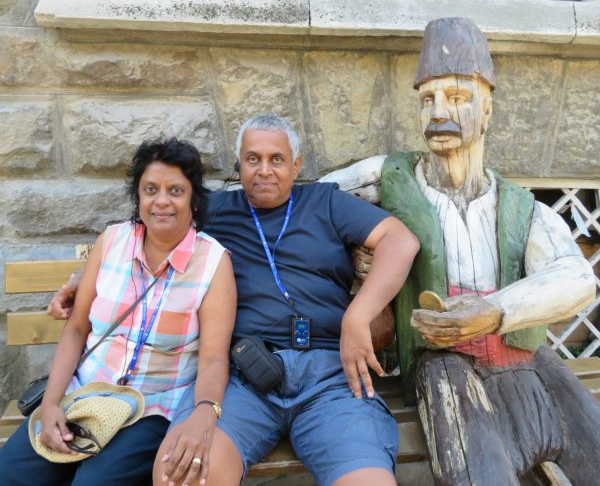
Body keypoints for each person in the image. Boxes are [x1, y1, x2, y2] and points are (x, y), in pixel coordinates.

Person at [48, 114, 420, 486]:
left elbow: (400, 241)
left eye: (276, 159)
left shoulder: (325, 202)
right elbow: (148, 235)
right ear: (238, 164)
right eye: (252, 159)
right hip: (241, 378)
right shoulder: (212, 212)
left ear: (296, 164)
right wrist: (81, 280)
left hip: (331, 377)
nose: (264, 170)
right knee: (181, 475)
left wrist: (358, 316)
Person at [322, 17, 599, 485]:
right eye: (427, 99)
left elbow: (576, 278)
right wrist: (353, 248)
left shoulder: (518, 205)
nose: (438, 113)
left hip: (524, 354)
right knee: (477, 468)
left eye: (457, 98)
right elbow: (315, 207)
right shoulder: (389, 177)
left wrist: (494, 311)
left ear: (487, 111)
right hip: (440, 360)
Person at [1, 137, 236, 486]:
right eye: (150, 188)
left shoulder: (212, 263)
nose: (161, 201)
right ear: (138, 196)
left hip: (155, 406)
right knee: (9, 474)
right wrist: (50, 404)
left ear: (194, 201)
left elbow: (214, 359)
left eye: (175, 190)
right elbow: (77, 329)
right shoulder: (112, 242)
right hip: (85, 394)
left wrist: (205, 411)